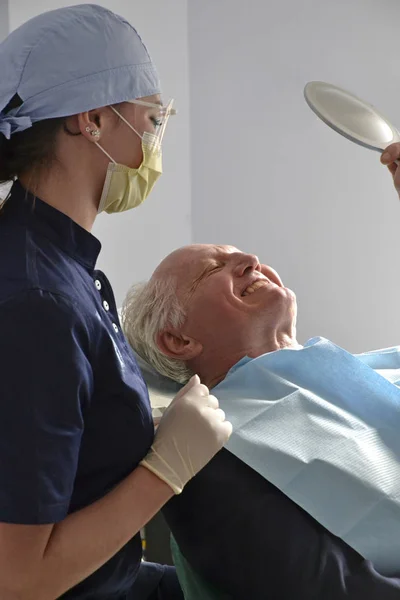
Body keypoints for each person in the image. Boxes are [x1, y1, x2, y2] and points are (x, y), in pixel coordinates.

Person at [0, 5, 232, 600]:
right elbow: (17, 581)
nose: (155, 139)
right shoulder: (38, 299)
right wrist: (166, 470)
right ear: (94, 120)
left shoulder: (56, 260)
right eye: (152, 118)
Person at [122, 145, 400, 599]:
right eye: (213, 268)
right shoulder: (209, 457)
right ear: (179, 340)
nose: (251, 259)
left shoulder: (378, 371)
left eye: (242, 255)